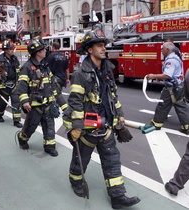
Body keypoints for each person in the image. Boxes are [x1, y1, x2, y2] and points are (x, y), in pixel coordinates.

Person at [63, 29, 140, 209]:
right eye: (99, 45)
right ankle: (75, 181)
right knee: (80, 160)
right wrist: (76, 126)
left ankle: (118, 196)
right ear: (90, 49)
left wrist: (120, 120)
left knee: (112, 161)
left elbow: (113, 98)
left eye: (104, 45)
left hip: (106, 128)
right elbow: (75, 102)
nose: (103, 48)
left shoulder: (106, 70)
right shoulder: (81, 73)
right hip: (88, 128)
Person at [16, 37, 59, 157]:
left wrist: (54, 96)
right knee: (31, 127)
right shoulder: (27, 67)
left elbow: (51, 82)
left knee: (49, 126)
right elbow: (22, 86)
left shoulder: (45, 65)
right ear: (38, 52)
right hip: (34, 106)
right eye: (43, 49)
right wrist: (25, 102)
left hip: (47, 104)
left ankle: (50, 147)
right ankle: (22, 138)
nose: (46, 50)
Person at [147, 42, 189, 134]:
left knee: (163, 105)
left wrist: (153, 76)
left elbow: (167, 75)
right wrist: (160, 77)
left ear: (167, 50)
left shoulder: (171, 60)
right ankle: (186, 126)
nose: (161, 50)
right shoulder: (176, 57)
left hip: (171, 87)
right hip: (177, 86)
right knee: (180, 105)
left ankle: (156, 124)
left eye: (162, 49)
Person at [0, 39, 22, 128]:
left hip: (14, 84)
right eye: (11, 48)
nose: (13, 50)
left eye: (13, 48)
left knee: (16, 102)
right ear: (6, 50)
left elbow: (19, 69)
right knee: (2, 104)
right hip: (3, 86)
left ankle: (16, 121)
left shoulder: (14, 59)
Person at [47, 41, 69, 111]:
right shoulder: (64, 56)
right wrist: (67, 78)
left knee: (57, 95)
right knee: (57, 94)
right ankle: (55, 108)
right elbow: (67, 69)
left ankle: (66, 110)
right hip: (63, 79)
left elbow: (48, 68)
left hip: (55, 79)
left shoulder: (51, 56)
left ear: (53, 47)